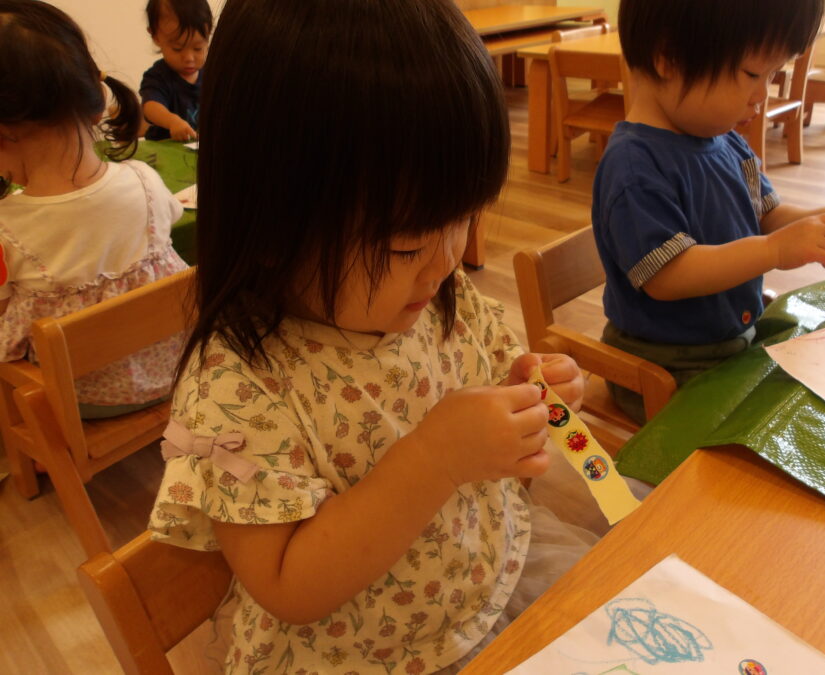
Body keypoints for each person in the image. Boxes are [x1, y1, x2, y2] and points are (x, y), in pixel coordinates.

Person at [149, 1, 602, 673]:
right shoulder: (238, 385)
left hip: (486, 580)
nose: (446, 260)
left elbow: (493, 375)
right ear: (272, 225)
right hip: (362, 655)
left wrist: (532, 390)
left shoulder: (438, 296)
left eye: (464, 219)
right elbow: (287, 586)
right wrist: (435, 458)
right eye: (405, 246)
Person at [592, 0, 825, 423]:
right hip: (667, 366)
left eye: (774, 74)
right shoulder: (634, 168)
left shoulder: (726, 142)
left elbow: (768, 217)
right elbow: (668, 276)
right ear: (670, 59)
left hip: (732, 342)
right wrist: (774, 251)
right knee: (768, 431)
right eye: (753, 74)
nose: (763, 95)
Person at [0, 0, 189, 418]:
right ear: (97, 102)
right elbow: (171, 224)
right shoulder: (145, 181)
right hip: (174, 371)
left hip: (82, 399)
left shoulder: (7, 228)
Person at [140, 0, 212, 141]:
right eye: (177, 49)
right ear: (155, 36)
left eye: (198, 48)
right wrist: (172, 121)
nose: (189, 58)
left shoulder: (212, 74)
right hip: (165, 146)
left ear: (208, 33)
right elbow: (150, 107)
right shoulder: (158, 76)